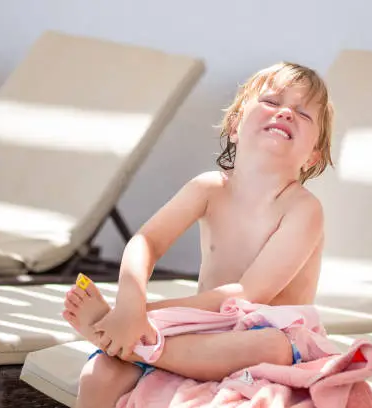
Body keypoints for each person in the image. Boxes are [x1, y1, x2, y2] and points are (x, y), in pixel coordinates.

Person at [62, 61, 335, 408]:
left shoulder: (303, 210)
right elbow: (146, 242)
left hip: (267, 334)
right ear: (235, 126)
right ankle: (131, 345)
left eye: (302, 113)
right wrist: (130, 303)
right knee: (100, 372)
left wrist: (144, 312)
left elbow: (248, 295)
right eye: (271, 102)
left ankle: (140, 346)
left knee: (269, 346)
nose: (284, 114)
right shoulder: (208, 189)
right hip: (201, 329)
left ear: (313, 156)